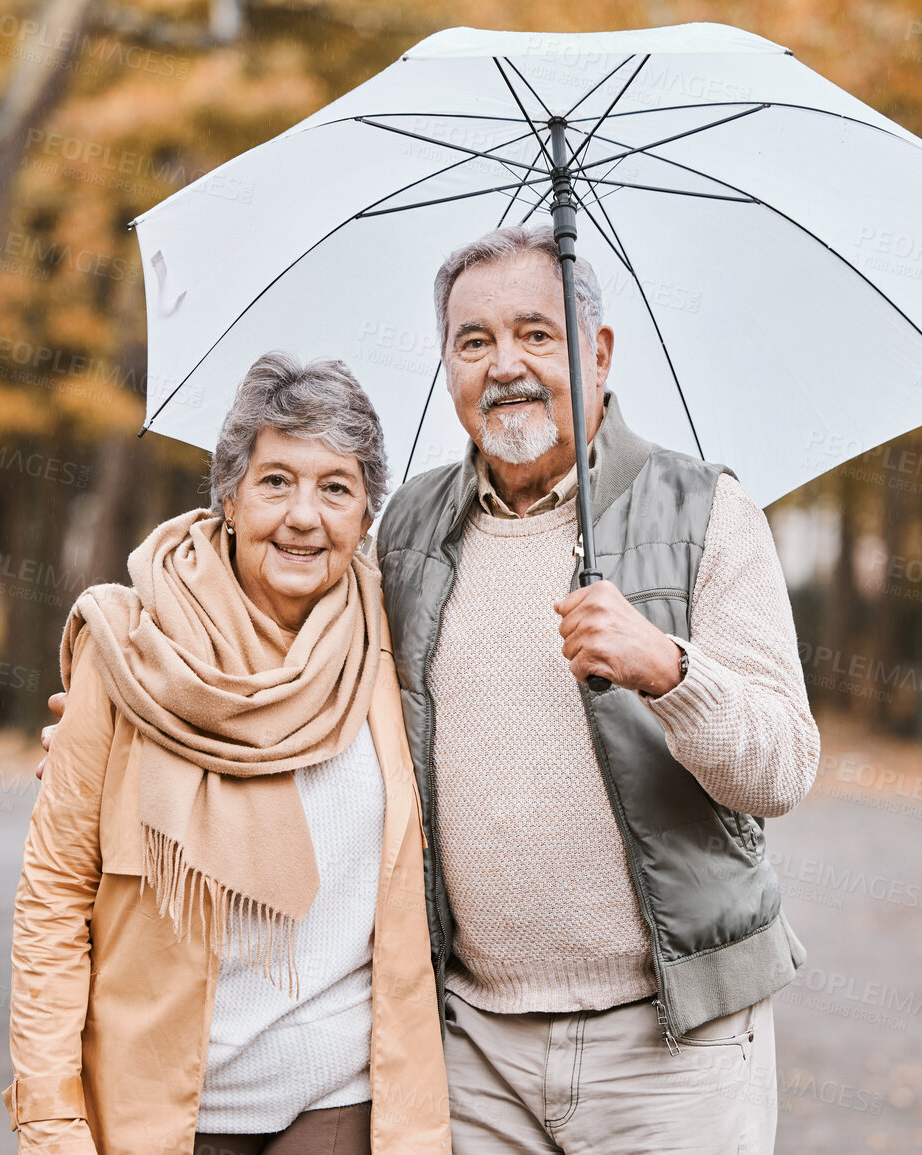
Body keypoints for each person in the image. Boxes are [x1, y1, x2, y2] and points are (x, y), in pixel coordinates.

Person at [43, 225, 821, 1153]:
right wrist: (135, 719)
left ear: (598, 351)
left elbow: (782, 767)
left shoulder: (707, 513)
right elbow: (289, 644)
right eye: (473, 341)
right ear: (447, 364)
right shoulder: (408, 529)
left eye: (537, 334)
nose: (506, 366)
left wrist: (670, 670)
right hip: (474, 1049)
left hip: (671, 1047)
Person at [7, 352, 449, 1155]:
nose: (305, 516)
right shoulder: (133, 650)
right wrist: (48, 1115)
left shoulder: (395, 637)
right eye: (276, 480)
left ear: (365, 513)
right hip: (168, 1106)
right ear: (230, 496)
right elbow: (53, 898)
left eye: (336, 487)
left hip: (340, 1095)